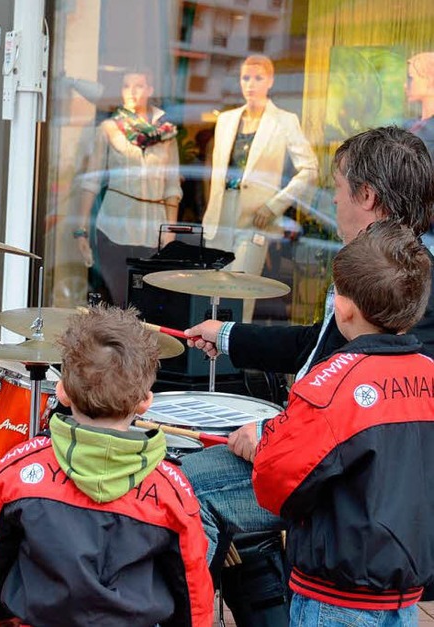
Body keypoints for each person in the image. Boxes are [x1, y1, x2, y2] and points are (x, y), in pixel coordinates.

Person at [180, 127, 434, 609]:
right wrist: (228, 335)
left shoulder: (411, 286)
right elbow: (316, 345)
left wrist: (271, 437)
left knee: (184, 487)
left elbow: (384, 404)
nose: (332, 200)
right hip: (331, 459)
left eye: (337, 187)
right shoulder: (387, 268)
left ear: (366, 195)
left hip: (352, 488)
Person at [0, 306, 213, 627]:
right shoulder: (171, 489)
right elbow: (191, 584)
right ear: (145, 401)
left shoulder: (16, 471)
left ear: (62, 391)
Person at [252, 220, 434, 624]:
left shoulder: (330, 384)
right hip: (406, 590)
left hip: (335, 592)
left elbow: (274, 478)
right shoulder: (430, 374)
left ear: (344, 306)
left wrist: (265, 438)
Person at [202, 55, 318, 322]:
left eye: (258, 78)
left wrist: (274, 205)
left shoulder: (284, 120)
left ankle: (236, 345)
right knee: (211, 292)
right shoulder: (226, 120)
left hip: (256, 218)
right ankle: (210, 345)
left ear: (270, 81)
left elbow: (310, 169)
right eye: (245, 78)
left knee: (241, 291)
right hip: (220, 215)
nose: (250, 84)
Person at [75, 70, 182, 307]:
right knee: (118, 300)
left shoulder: (167, 134)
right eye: (126, 86)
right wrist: (80, 230)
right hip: (114, 227)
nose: (132, 92)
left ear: (150, 90)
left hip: (153, 228)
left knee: (149, 302)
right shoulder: (108, 128)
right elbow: (91, 181)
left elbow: (172, 186)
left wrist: (170, 231)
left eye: (139, 86)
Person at [406, 51, 434, 160]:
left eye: (411, 78)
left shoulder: (429, 128)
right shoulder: (413, 124)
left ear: (430, 80)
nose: (405, 85)